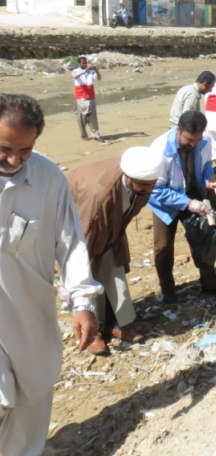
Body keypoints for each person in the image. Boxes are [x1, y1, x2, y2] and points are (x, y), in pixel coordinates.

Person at [0, 93, 101, 455]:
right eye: (5, 149)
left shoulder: (48, 179)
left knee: (32, 400)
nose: (15, 160)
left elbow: (70, 243)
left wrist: (83, 302)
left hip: (28, 317)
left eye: (25, 151)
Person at [67, 146, 165, 356]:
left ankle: (119, 323)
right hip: (80, 225)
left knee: (114, 267)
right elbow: (83, 239)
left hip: (110, 226)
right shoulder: (98, 195)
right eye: (144, 185)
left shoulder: (142, 179)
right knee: (88, 271)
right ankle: (91, 331)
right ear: (128, 178)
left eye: (152, 184)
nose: (149, 189)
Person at [148, 111, 216, 303]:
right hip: (166, 202)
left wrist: (208, 179)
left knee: (203, 239)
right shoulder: (159, 151)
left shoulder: (203, 140)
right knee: (163, 247)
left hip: (193, 193)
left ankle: (210, 286)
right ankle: (168, 291)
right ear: (179, 130)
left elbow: (206, 164)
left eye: (197, 140)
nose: (193, 144)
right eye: (189, 140)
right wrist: (187, 203)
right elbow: (155, 191)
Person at [72, 55, 102, 141]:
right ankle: (84, 135)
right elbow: (75, 76)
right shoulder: (75, 71)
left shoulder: (90, 72)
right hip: (80, 97)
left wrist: (96, 70)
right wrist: (86, 70)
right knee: (82, 118)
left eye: (86, 63)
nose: (85, 64)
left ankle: (96, 135)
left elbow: (99, 78)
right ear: (79, 63)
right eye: (83, 63)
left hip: (91, 96)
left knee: (93, 117)